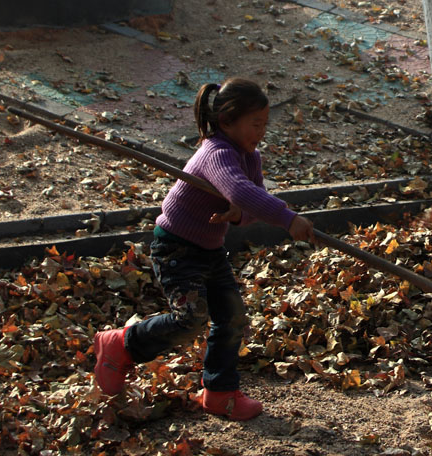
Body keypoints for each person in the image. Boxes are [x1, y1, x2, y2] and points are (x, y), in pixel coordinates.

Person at [93, 78, 315, 420]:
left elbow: (247, 203)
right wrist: (287, 218)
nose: (261, 132)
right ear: (226, 122)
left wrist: (240, 215)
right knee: (191, 319)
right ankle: (121, 343)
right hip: (176, 247)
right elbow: (240, 191)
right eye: (255, 124)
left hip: (210, 250)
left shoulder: (249, 156)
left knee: (232, 317)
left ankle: (219, 392)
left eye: (264, 124)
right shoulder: (216, 152)